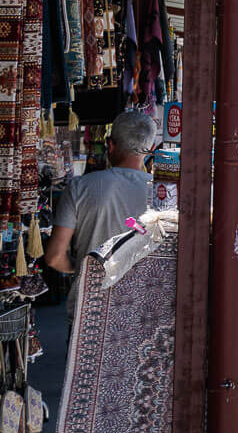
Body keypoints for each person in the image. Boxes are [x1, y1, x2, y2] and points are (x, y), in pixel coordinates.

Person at [44, 110, 156, 318]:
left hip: (88, 313)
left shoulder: (80, 187)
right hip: (141, 314)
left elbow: (54, 257)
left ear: (110, 144)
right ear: (151, 149)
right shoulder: (160, 193)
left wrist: (81, 267)